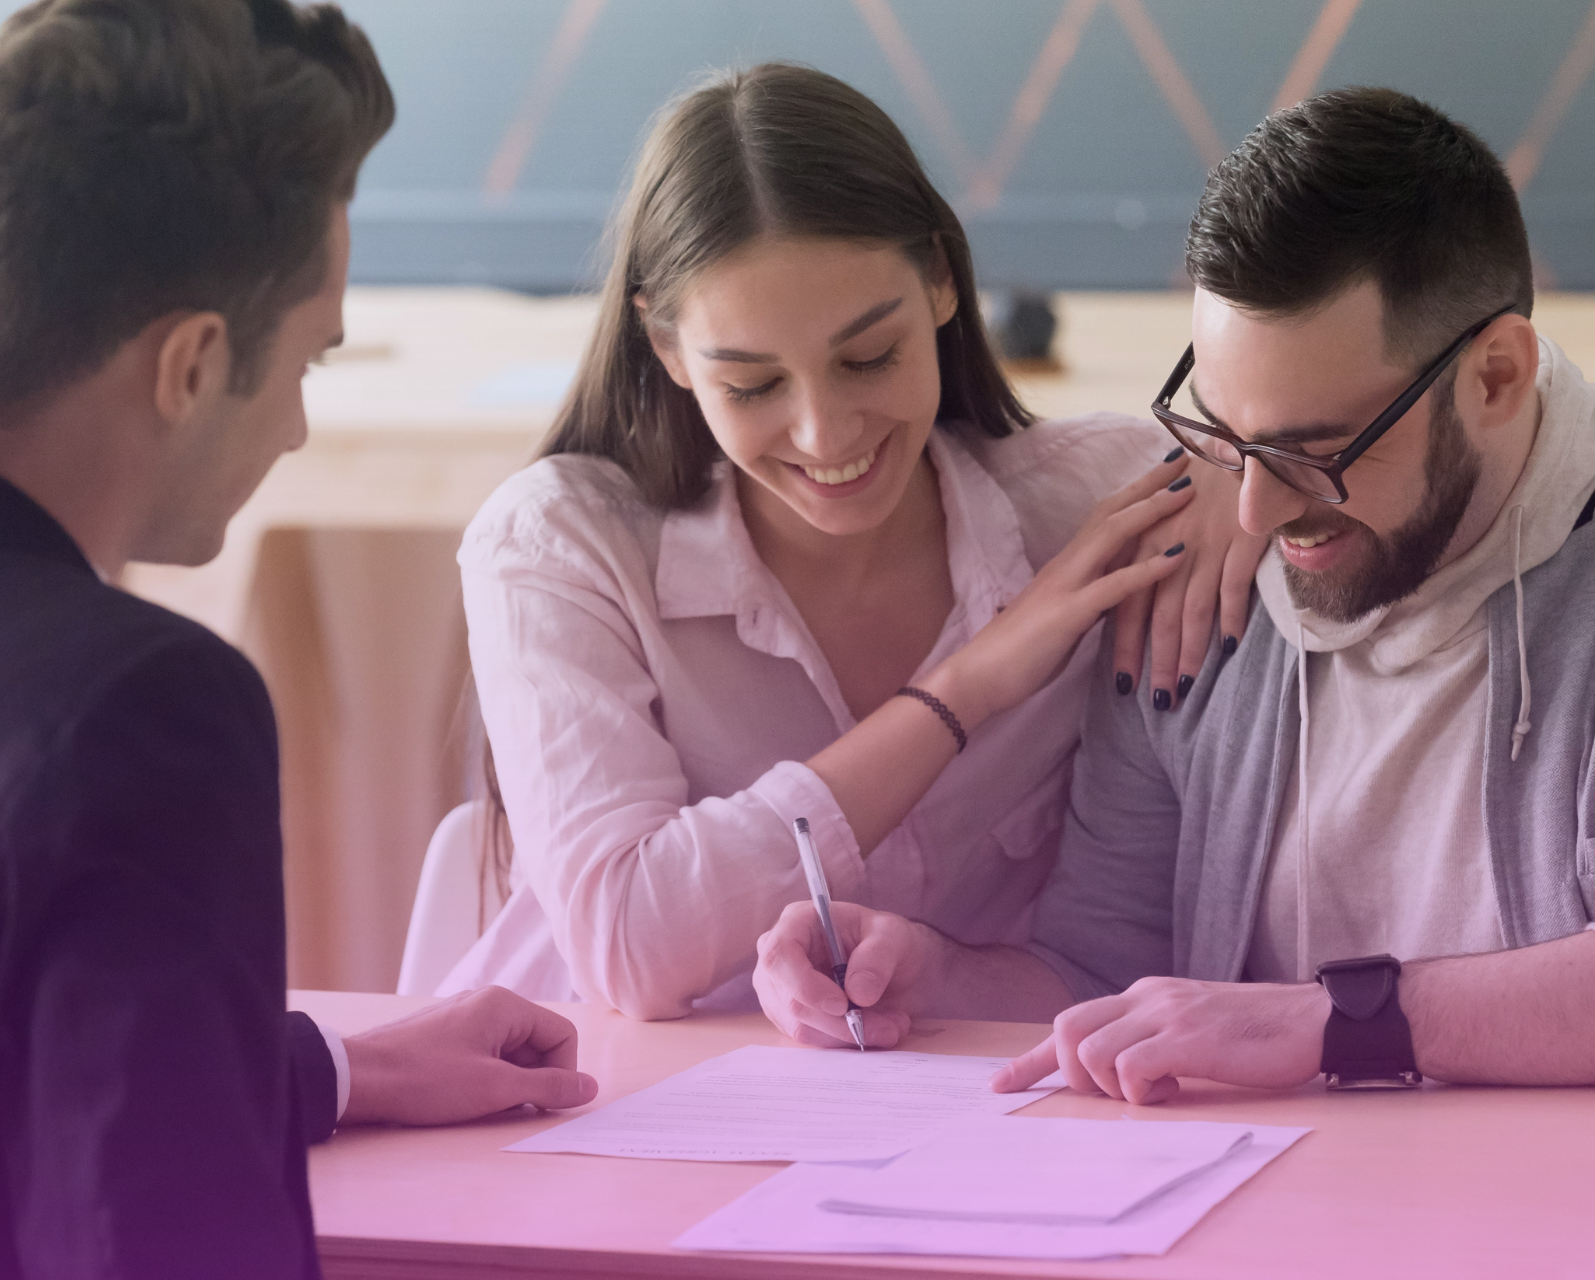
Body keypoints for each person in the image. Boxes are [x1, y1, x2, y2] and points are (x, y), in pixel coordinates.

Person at [752, 87, 1595, 1101]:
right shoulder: (1199, 591)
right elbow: (1110, 967)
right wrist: (936, 971)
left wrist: (1336, 1021)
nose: (1252, 513)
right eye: (1224, 435)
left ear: (1497, 376)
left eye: (1312, 450)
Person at [441, 63, 1260, 1018]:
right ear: (666, 350)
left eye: (870, 357)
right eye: (752, 386)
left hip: (983, 1112)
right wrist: (965, 688)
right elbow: (629, 949)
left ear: (944, 286)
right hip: (621, 1104)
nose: (826, 435)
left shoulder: (1100, 509)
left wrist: (1237, 465)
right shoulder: (560, 546)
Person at [0, 4, 594, 1276]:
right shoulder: (143, 706)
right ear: (193, 363)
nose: (298, 433)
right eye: (310, 360)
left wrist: (333, 1064)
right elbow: (153, 1228)